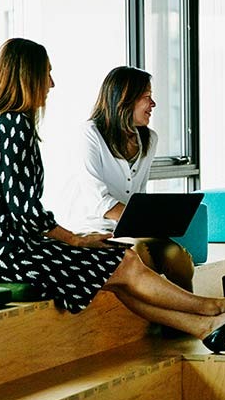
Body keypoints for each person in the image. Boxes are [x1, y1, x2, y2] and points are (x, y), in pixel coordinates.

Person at [0, 38, 225, 354]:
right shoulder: (15, 125)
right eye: (47, 74)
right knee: (123, 260)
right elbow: (27, 213)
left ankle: (205, 327)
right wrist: (75, 239)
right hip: (3, 252)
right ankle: (209, 308)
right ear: (26, 76)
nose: (52, 84)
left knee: (117, 271)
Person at [62, 66, 194, 292]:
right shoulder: (90, 134)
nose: (153, 105)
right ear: (124, 100)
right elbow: (98, 201)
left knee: (177, 256)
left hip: (131, 231)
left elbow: (139, 195)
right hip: (95, 230)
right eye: (147, 98)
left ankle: (183, 323)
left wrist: (151, 223)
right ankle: (160, 322)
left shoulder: (149, 139)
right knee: (140, 252)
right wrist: (147, 223)